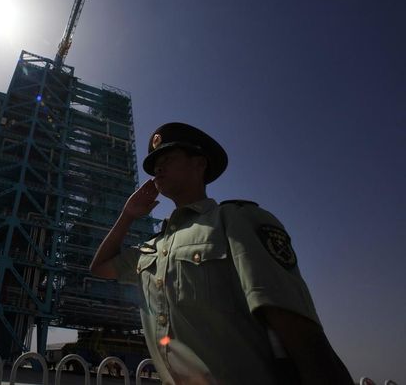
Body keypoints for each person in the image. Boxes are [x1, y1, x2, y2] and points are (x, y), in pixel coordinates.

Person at [90, 122, 353, 384]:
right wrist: (127, 215)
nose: (158, 167)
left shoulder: (235, 220)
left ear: (199, 163)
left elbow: (297, 330)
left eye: (168, 158)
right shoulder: (153, 248)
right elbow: (100, 267)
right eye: (155, 163)